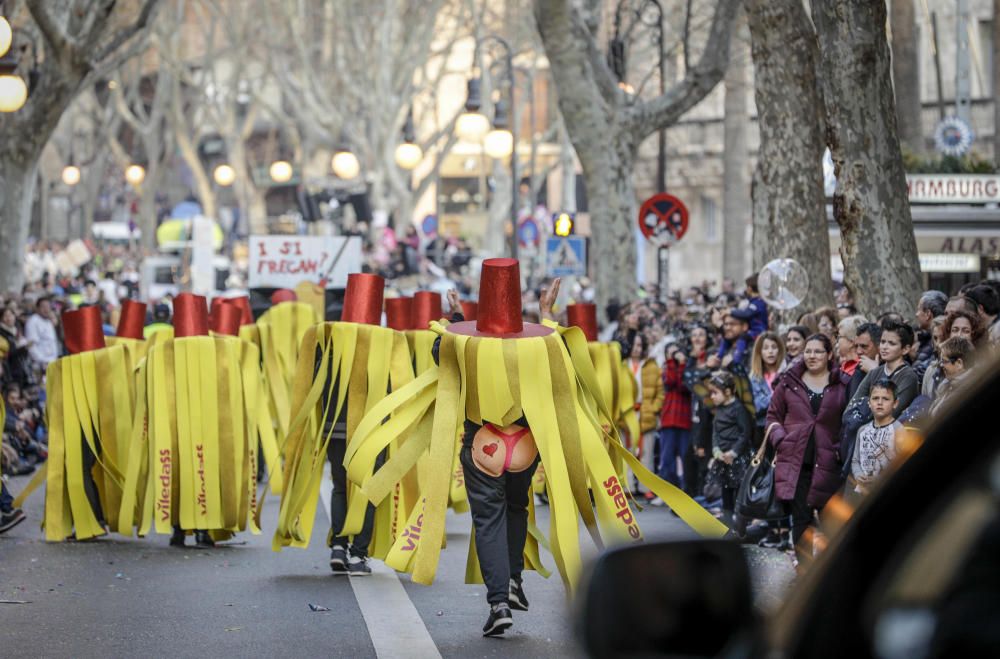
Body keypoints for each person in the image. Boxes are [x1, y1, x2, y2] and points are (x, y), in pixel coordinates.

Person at [766, 334, 849, 554]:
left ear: (829, 354)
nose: (812, 356)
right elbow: (773, 416)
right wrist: (781, 440)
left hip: (830, 463)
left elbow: (848, 421)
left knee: (831, 523)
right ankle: (803, 574)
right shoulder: (789, 381)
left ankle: (826, 575)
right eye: (808, 351)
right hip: (796, 461)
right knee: (801, 521)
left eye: (818, 351)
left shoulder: (842, 383)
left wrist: (839, 449)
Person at [705, 371, 752, 534]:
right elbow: (715, 432)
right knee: (726, 491)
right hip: (723, 457)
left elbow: (745, 433)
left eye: (715, 392)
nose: (712, 396)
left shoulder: (738, 408)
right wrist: (716, 450)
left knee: (739, 492)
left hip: (736, 458)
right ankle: (726, 524)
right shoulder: (719, 410)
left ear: (728, 391)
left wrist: (733, 452)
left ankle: (740, 527)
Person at [846, 379, 901, 504]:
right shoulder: (863, 430)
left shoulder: (899, 430)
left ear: (895, 403)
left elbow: (901, 465)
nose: (880, 403)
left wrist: (879, 479)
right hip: (860, 493)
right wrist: (858, 475)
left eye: (886, 399)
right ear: (869, 402)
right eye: (875, 398)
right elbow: (855, 460)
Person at [628, 332, 664, 499]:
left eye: (640, 345)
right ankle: (627, 486)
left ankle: (646, 487)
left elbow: (660, 391)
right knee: (627, 450)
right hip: (626, 413)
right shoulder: (622, 364)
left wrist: (654, 407)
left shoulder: (651, 365)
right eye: (634, 345)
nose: (637, 349)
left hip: (646, 411)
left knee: (647, 451)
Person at [656, 343, 691, 494]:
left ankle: (685, 489)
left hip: (684, 419)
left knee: (685, 457)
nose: (674, 354)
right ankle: (669, 492)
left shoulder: (688, 367)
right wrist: (671, 361)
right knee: (667, 459)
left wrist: (682, 363)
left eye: (676, 351)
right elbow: (670, 382)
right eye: (670, 352)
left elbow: (683, 385)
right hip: (669, 419)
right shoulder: (666, 368)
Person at [749, 332, 784, 447]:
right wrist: (778, 395)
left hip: (785, 429)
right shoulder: (754, 378)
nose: (770, 351)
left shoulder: (787, 373)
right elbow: (757, 405)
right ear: (759, 352)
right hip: (762, 431)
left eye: (774, 347)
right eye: (766, 348)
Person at [929, 337, 976, 417]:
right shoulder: (950, 385)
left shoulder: (968, 390)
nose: (941, 365)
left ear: (959, 363)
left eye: (944, 361)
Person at [914, 291, 947, 382]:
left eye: (918, 310)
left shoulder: (936, 341)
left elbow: (919, 373)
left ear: (928, 314)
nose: (916, 314)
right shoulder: (924, 337)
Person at [848, 322, 881, 400]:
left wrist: (874, 372)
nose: (859, 351)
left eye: (864, 346)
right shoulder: (858, 369)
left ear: (879, 346)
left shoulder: (891, 367)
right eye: (856, 346)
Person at [24, 297, 59, 369]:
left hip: (52, 361)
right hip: (40, 364)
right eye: (43, 307)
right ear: (37, 308)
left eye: (48, 306)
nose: (46, 309)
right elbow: (31, 345)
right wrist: (42, 361)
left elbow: (52, 341)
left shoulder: (48, 321)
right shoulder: (32, 322)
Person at [743, 274, 769, 340]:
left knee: (742, 338)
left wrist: (731, 311)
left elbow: (747, 314)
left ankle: (739, 351)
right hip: (756, 331)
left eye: (746, 287)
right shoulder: (759, 301)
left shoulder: (757, 302)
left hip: (758, 332)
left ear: (750, 288)